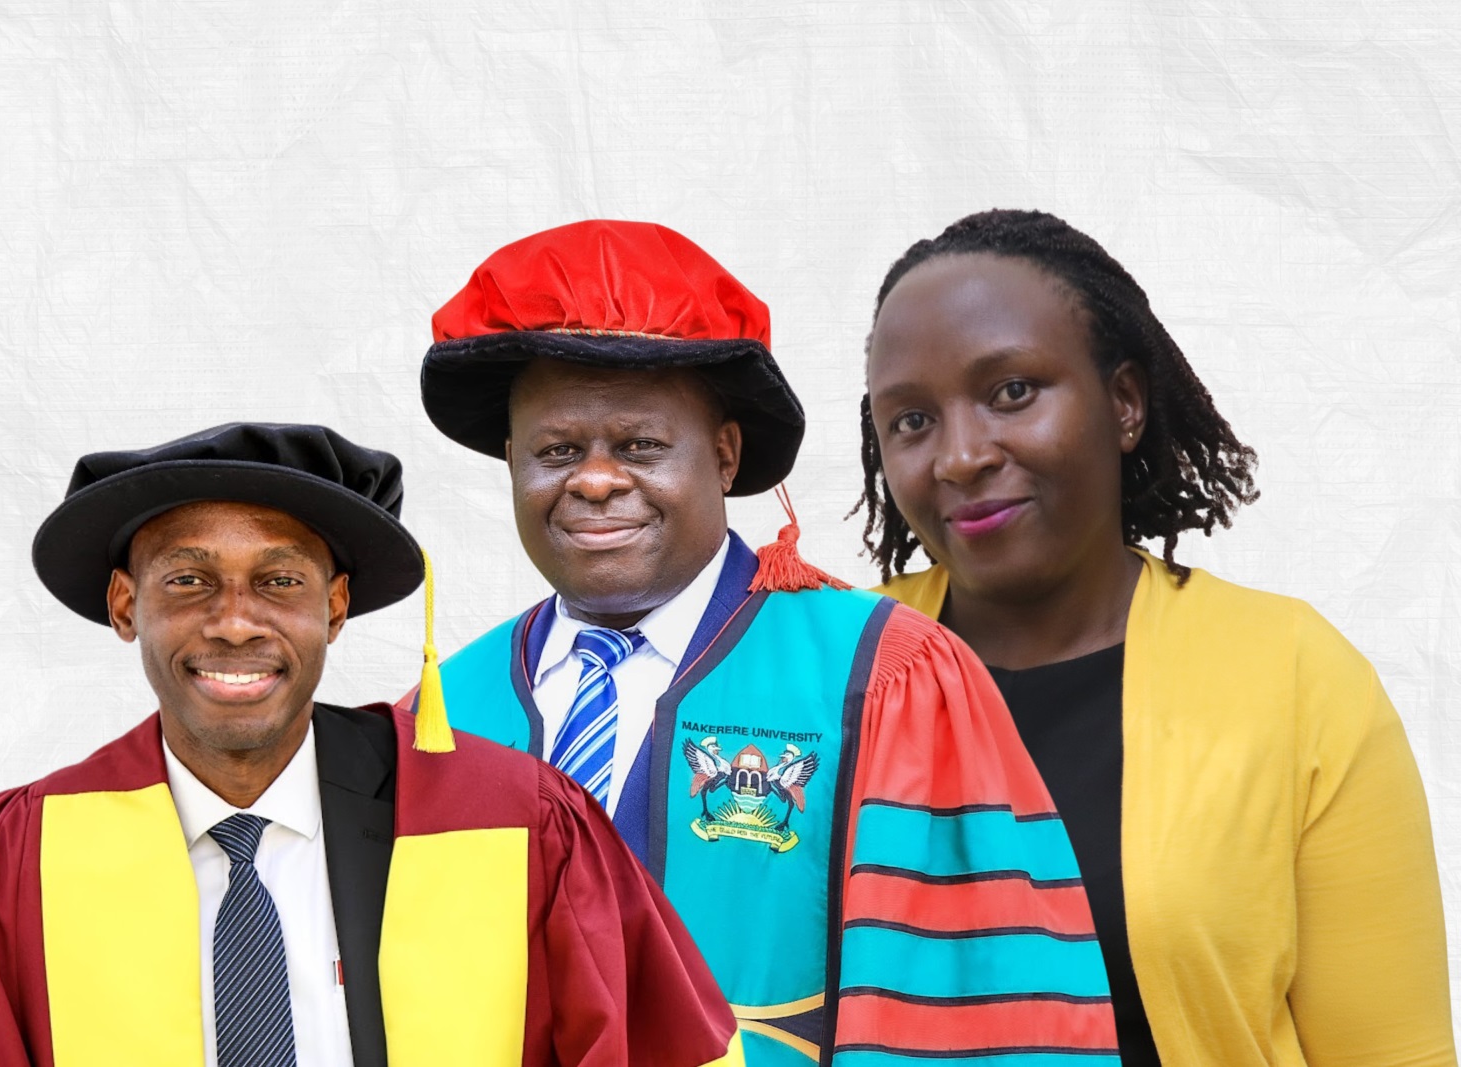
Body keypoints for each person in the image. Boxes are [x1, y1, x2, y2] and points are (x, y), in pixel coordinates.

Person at [410, 220, 1121, 1067]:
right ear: (510, 461)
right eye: (557, 449)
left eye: (639, 445)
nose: (595, 479)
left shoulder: (882, 678)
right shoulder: (444, 712)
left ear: (723, 453)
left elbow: (973, 1022)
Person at [0, 422, 745, 1067]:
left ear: (333, 607)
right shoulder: (19, 858)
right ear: (127, 605)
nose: (236, 619)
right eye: (189, 579)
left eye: (279, 580)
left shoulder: (517, 826)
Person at [855, 208, 1455, 1066]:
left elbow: (1393, 1052)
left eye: (1012, 392)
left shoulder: (1290, 676)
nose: (959, 455)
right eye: (911, 419)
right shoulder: (832, 665)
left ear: (1125, 403)